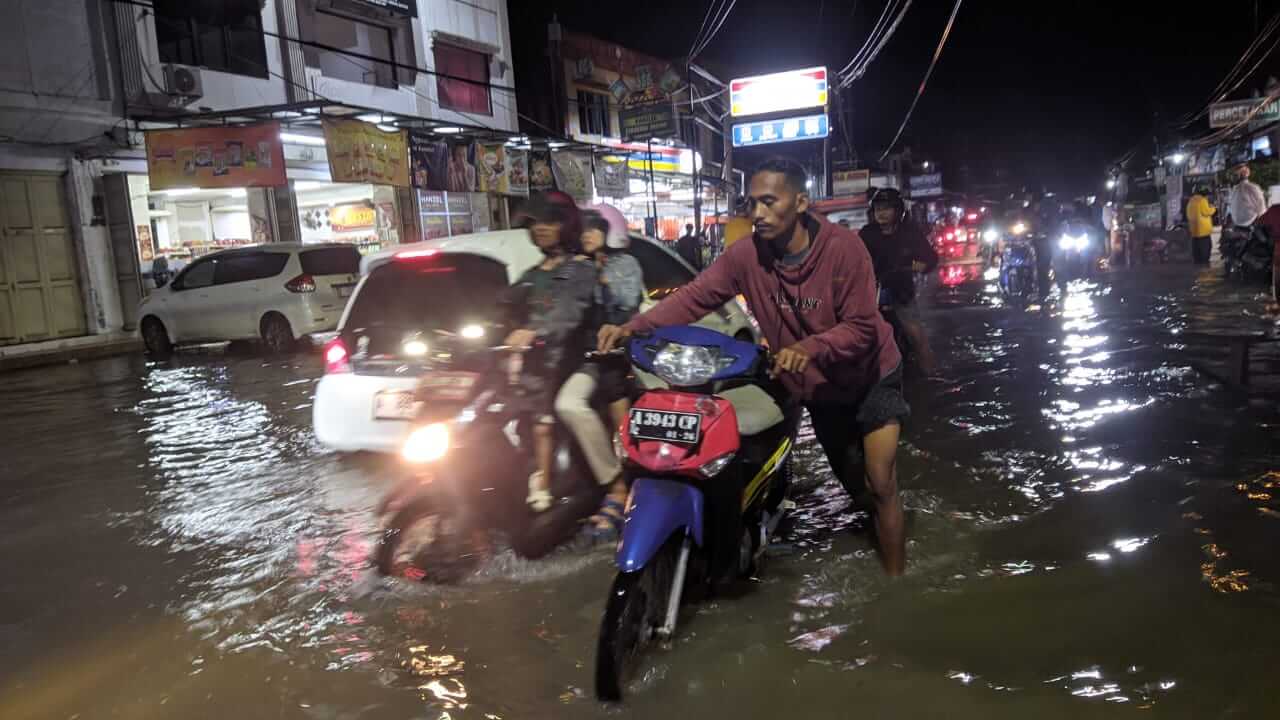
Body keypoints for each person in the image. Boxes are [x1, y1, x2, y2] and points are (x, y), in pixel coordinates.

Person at [598, 157, 909, 576]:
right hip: (819, 389)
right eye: (751, 204)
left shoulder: (843, 249)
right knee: (856, 487)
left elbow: (863, 329)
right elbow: (695, 297)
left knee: (880, 482)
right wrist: (633, 327)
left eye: (768, 202)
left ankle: (896, 580)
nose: (757, 214)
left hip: (872, 375)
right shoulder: (746, 256)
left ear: (800, 202)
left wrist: (810, 347)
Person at [554, 208, 645, 539]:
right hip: (583, 359)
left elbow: (624, 304)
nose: (587, 235)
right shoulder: (573, 267)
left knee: (622, 423)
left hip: (614, 357)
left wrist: (598, 280)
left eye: (594, 229)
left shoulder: (624, 266)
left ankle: (620, 488)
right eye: (583, 230)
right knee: (564, 403)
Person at [505, 192, 598, 512]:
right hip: (538, 361)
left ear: (566, 225)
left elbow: (567, 313)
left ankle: (547, 484)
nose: (541, 229)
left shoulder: (580, 270)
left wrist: (534, 331)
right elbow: (505, 305)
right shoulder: (533, 275)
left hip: (574, 361)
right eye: (535, 223)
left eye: (550, 221)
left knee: (546, 416)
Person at [859, 187, 940, 374]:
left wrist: (919, 265)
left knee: (917, 336)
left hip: (902, 292)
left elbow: (930, 258)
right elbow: (852, 258)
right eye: (878, 209)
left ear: (898, 210)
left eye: (886, 208)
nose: (881, 213)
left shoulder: (909, 232)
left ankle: (932, 375)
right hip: (873, 292)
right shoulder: (867, 233)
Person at [1228, 163, 1266, 229]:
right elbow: (1261, 208)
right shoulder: (1252, 187)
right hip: (1250, 223)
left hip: (1237, 224)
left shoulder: (1234, 190)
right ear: (1247, 173)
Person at [1186, 187, 1216, 265]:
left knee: (1196, 249)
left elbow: (1188, 214)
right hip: (1203, 231)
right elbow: (1206, 212)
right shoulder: (1202, 200)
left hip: (1194, 230)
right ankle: (1204, 264)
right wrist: (1213, 208)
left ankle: (1197, 263)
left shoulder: (1191, 201)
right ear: (1204, 195)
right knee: (1205, 249)